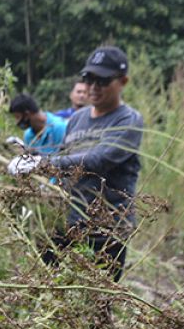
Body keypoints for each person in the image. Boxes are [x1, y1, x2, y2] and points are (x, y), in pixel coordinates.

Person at [8, 46, 144, 281]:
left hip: (107, 228)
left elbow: (99, 160)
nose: (93, 86)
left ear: (123, 81)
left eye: (102, 80)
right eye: (88, 78)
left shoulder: (128, 120)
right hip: (70, 222)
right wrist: (37, 172)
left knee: (97, 301)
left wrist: (42, 163)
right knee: (55, 287)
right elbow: (65, 161)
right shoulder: (77, 119)